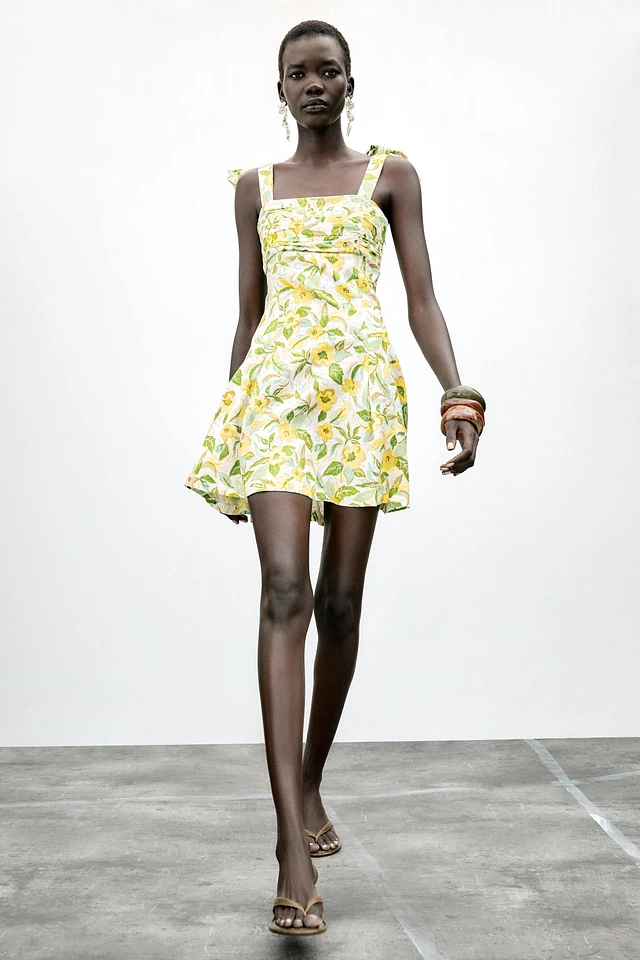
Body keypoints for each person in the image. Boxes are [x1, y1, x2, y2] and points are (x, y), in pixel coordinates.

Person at [184, 19, 486, 936]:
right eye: (297, 73)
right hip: (275, 398)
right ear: (278, 89)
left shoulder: (391, 175)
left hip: (360, 397)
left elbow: (421, 297)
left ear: (350, 83)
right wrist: (231, 434)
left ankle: (311, 779)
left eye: (328, 71)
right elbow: (249, 316)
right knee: (285, 593)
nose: (313, 84)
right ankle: (291, 847)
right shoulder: (254, 187)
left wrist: (457, 391)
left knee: (340, 605)